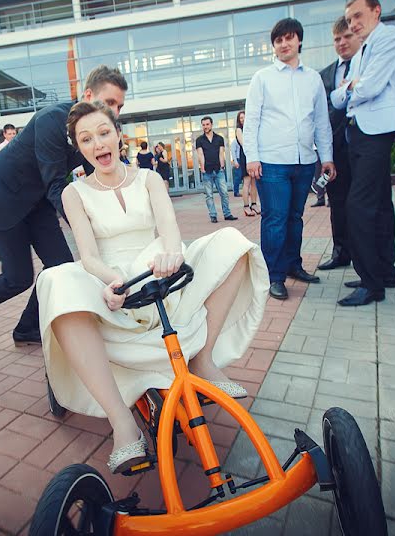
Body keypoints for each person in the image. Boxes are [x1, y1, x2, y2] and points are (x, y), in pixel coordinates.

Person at [36, 101, 269, 473]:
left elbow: (169, 229)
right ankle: (123, 424)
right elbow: (89, 254)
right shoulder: (73, 193)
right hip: (116, 284)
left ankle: (203, 360)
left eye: (103, 133)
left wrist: (172, 253)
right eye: (86, 139)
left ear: (118, 135)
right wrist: (112, 280)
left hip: (163, 271)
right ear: (78, 149)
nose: (97, 144)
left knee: (233, 243)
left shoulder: (150, 178)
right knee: (53, 279)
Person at [0, 66, 128, 356]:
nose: (116, 111)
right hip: (3, 198)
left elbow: (97, 175)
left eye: (120, 105)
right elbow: (56, 184)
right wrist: (86, 227)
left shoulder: (93, 132)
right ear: (88, 95)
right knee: (17, 277)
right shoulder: (53, 120)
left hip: (36, 202)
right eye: (110, 102)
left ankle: (27, 328)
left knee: (61, 265)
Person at [244, 18, 335, 301]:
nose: (284, 44)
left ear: (299, 41)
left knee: (295, 218)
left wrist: (327, 157)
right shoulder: (263, 78)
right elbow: (253, 121)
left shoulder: (313, 79)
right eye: (278, 40)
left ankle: (293, 265)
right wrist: (252, 157)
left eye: (288, 38)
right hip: (271, 162)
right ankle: (274, 276)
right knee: (275, 219)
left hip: (305, 160)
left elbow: (321, 121)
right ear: (274, 46)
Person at [330, 0, 395, 306]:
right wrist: (352, 87)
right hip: (360, 133)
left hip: (375, 131)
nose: (354, 24)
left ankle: (370, 283)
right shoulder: (363, 50)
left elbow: (371, 87)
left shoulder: (388, 37)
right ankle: (382, 272)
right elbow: (338, 97)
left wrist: (352, 88)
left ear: (377, 11)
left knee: (358, 206)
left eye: (358, 17)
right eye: (350, 20)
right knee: (377, 205)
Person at [195, 116, 238, 224]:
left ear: (211, 124)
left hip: (219, 170)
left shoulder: (219, 138)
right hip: (207, 172)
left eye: (207, 124)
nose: (205, 126)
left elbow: (221, 153)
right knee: (209, 195)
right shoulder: (199, 140)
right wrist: (203, 168)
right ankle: (213, 215)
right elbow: (200, 155)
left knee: (224, 193)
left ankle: (227, 214)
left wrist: (222, 166)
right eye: (203, 125)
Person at [232, 111, 260, 217]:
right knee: (247, 182)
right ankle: (246, 206)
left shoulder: (250, 129)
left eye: (244, 117)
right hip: (246, 156)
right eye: (241, 118)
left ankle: (254, 204)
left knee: (254, 183)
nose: (243, 119)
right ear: (239, 120)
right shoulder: (239, 130)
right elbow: (244, 144)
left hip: (253, 156)